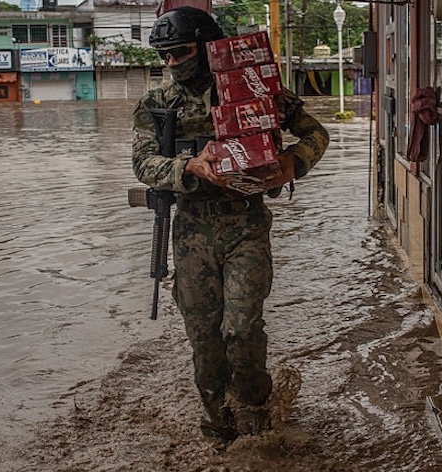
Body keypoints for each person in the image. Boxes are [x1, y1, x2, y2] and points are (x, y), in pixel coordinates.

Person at [132, 6, 329, 446]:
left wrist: (290, 164)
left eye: (179, 52)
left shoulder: (255, 93)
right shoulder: (158, 104)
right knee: (205, 340)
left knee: (240, 329)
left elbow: (317, 133)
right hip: (192, 233)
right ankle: (217, 424)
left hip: (246, 226)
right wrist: (191, 167)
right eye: (163, 56)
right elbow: (142, 162)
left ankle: (258, 412)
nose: (171, 63)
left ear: (205, 46)